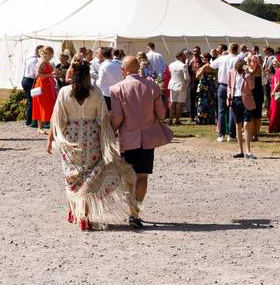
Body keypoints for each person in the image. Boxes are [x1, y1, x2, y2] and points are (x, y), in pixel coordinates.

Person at [46, 59, 138, 231]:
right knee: (89, 178)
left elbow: (56, 119)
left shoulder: (64, 92)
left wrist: (50, 139)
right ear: (89, 75)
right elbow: (103, 118)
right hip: (91, 138)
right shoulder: (95, 93)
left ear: (72, 74)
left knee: (72, 177)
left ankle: (75, 212)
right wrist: (109, 138)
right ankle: (83, 215)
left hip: (70, 139)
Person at [109, 55, 169, 227]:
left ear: (124, 70)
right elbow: (162, 114)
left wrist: (111, 132)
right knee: (142, 176)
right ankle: (136, 212)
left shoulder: (117, 89)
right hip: (148, 138)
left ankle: (131, 211)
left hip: (128, 139)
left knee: (129, 177)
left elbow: (118, 117)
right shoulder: (152, 86)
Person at [227, 58, 257, 159]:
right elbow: (229, 86)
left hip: (246, 100)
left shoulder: (248, 74)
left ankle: (248, 151)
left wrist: (248, 73)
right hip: (235, 100)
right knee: (238, 124)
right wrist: (229, 95)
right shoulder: (232, 72)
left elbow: (252, 86)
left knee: (247, 123)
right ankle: (240, 150)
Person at [210, 43, 241, 142]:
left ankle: (221, 134)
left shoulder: (223, 58)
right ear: (236, 50)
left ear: (229, 49)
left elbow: (212, 65)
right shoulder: (237, 59)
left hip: (223, 85)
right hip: (233, 86)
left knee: (221, 110)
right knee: (232, 110)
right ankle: (231, 135)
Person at [32, 46, 58, 135]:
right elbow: (37, 74)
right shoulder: (42, 62)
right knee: (41, 105)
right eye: (50, 54)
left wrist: (54, 74)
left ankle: (48, 126)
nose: (52, 55)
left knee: (49, 104)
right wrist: (50, 74)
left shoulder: (47, 62)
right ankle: (40, 127)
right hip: (42, 85)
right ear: (47, 54)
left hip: (48, 85)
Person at [164, 50, 190, 125]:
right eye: (184, 56)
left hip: (172, 84)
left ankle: (170, 119)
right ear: (181, 57)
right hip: (181, 85)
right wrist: (188, 83)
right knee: (179, 103)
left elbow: (170, 74)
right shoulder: (183, 65)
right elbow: (186, 77)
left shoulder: (171, 64)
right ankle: (177, 120)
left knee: (172, 102)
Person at [21, 45, 43, 128]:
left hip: (26, 79)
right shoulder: (34, 60)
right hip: (29, 81)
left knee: (29, 101)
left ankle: (29, 120)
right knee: (31, 101)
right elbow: (35, 73)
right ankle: (29, 121)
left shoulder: (29, 58)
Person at [248, 53, 264, 141]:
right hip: (250, 94)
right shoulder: (248, 69)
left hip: (257, 93)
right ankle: (251, 134)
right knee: (251, 115)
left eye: (255, 61)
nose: (254, 62)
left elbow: (253, 73)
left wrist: (255, 66)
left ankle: (256, 135)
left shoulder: (258, 69)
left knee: (257, 116)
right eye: (252, 61)